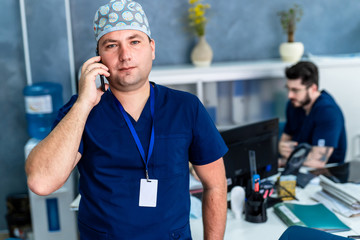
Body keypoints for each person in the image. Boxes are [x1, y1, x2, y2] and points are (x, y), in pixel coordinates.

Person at [25, 1, 228, 239]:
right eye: (112, 45)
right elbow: (41, 182)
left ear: (152, 48)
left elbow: (216, 185)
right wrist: (83, 104)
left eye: (134, 41)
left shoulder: (186, 107)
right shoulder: (78, 112)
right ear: (98, 58)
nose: (125, 55)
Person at [278, 61, 347, 169]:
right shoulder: (294, 104)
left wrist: (286, 158)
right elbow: (284, 142)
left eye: (295, 90)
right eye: (288, 89)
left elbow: (317, 161)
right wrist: (282, 148)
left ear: (313, 89)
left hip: (327, 172)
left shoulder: (328, 111)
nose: (290, 95)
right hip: (298, 167)